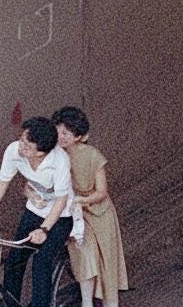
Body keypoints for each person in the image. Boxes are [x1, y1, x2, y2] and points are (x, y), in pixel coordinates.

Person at [0, 116, 79, 307]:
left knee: (41, 263)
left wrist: (44, 230)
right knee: (14, 262)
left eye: (27, 146)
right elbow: (2, 182)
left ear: (41, 152)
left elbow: (61, 200)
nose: (21, 147)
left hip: (60, 216)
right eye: (21, 140)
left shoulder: (59, 161)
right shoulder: (14, 151)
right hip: (34, 210)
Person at [52, 106, 129, 307]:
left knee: (107, 262)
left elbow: (102, 191)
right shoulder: (56, 155)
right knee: (83, 256)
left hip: (100, 213)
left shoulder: (93, 156)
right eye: (58, 132)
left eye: (66, 133)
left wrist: (82, 200)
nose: (60, 137)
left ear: (79, 136)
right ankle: (87, 303)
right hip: (75, 214)